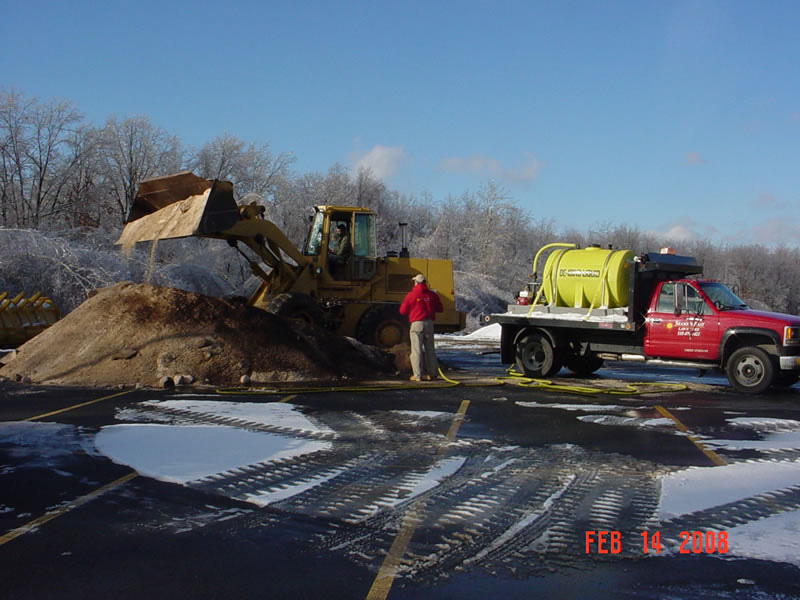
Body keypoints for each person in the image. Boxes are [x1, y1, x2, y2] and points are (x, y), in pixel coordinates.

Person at [399, 273, 443, 382]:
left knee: (416, 350)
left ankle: (417, 375)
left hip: (416, 324)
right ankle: (433, 374)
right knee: (430, 350)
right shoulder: (432, 295)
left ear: (416, 282)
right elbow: (440, 308)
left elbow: (402, 311)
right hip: (429, 324)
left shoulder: (411, 295)